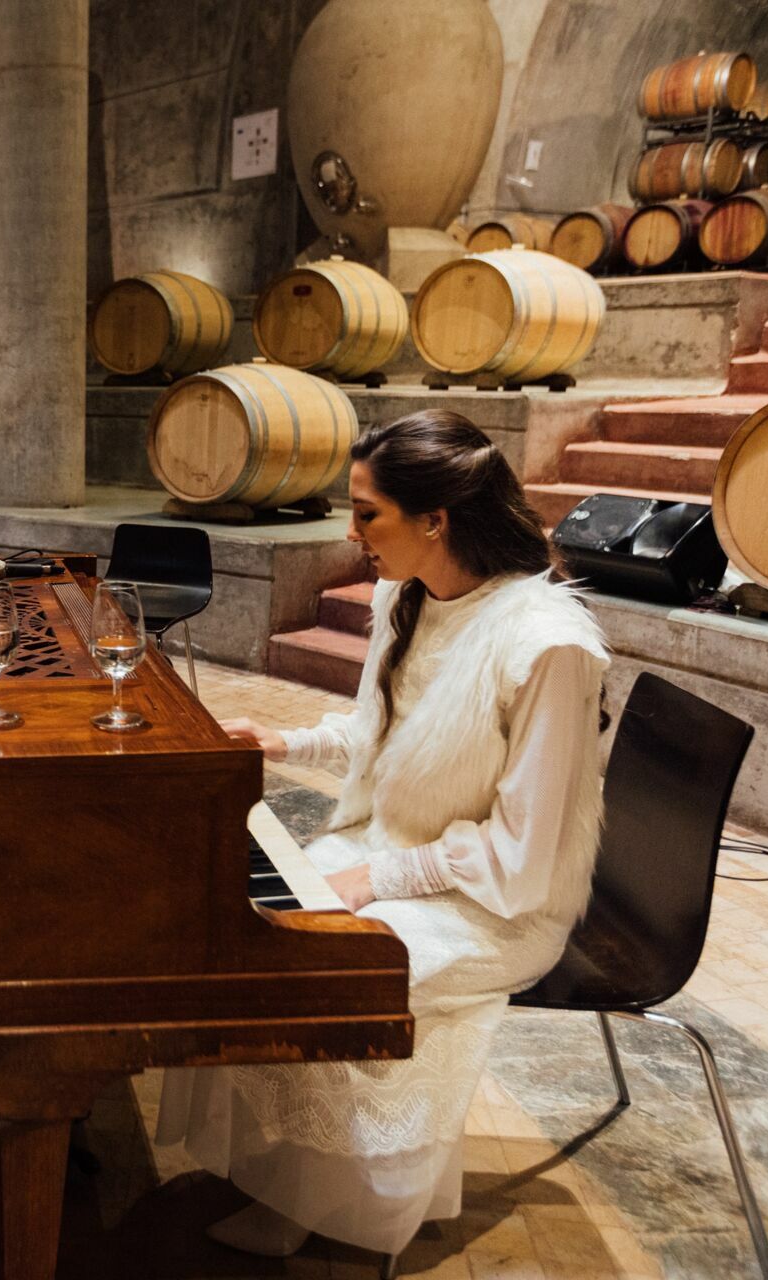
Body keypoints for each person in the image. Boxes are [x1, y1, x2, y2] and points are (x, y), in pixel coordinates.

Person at [154, 409, 610, 1260]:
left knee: (317, 971)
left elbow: (521, 855)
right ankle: (287, 1177)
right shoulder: (410, 594)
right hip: (397, 849)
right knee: (241, 934)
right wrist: (284, 742)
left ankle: (332, 1205)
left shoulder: (548, 643)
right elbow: (380, 735)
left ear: (436, 520)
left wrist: (377, 880)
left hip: (499, 905)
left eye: (367, 513)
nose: (351, 532)